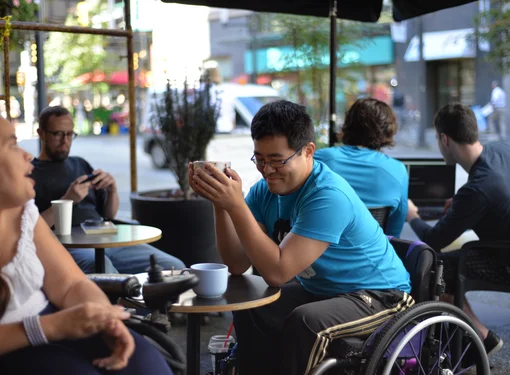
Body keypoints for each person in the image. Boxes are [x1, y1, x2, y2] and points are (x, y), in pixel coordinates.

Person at [189, 100, 412, 375]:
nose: (267, 170)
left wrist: (236, 205)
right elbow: (236, 264)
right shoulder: (264, 191)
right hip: (324, 290)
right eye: (259, 159)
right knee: (251, 303)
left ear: (308, 152)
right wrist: (220, 204)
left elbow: (277, 272)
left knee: (306, 321)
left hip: (382, 295)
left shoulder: (328, 195)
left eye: (277, 160)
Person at [0, 116, 172, 374]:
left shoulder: (27, 205)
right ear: (43, 134)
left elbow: (71, 284)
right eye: (12, 145)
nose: (25, 154)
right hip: (22, 339)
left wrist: (106, 321)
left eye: (70, 134)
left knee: (146, 362)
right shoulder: (34, 179)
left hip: (102, 237)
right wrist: (53, 326)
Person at [31, 105, 185, 274]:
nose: (65, 141)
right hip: (70, 245)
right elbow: (31, 227)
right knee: (103, 267)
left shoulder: (80, 163)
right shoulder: (30, 173)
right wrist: (67, 200)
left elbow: (109, 215)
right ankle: (121, 300)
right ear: (41, 133)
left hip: (106, 237)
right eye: (58, 134)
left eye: (70, 134)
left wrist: (112, 190)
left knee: (174, 267)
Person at [407, 103, 508, 357]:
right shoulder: (501, 149)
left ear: (444, 139)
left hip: (505, 261)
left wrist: (412, 216)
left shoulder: (476, 190)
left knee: (434, 267)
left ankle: (480, 337)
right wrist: (465, 207)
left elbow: (434, 239)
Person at [315, 98, 408, 237]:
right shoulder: (398, 170)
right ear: (388, 130)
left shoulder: (320, 159)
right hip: (371, 255)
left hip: (319, 255)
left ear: (347, 125)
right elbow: (393, 233)